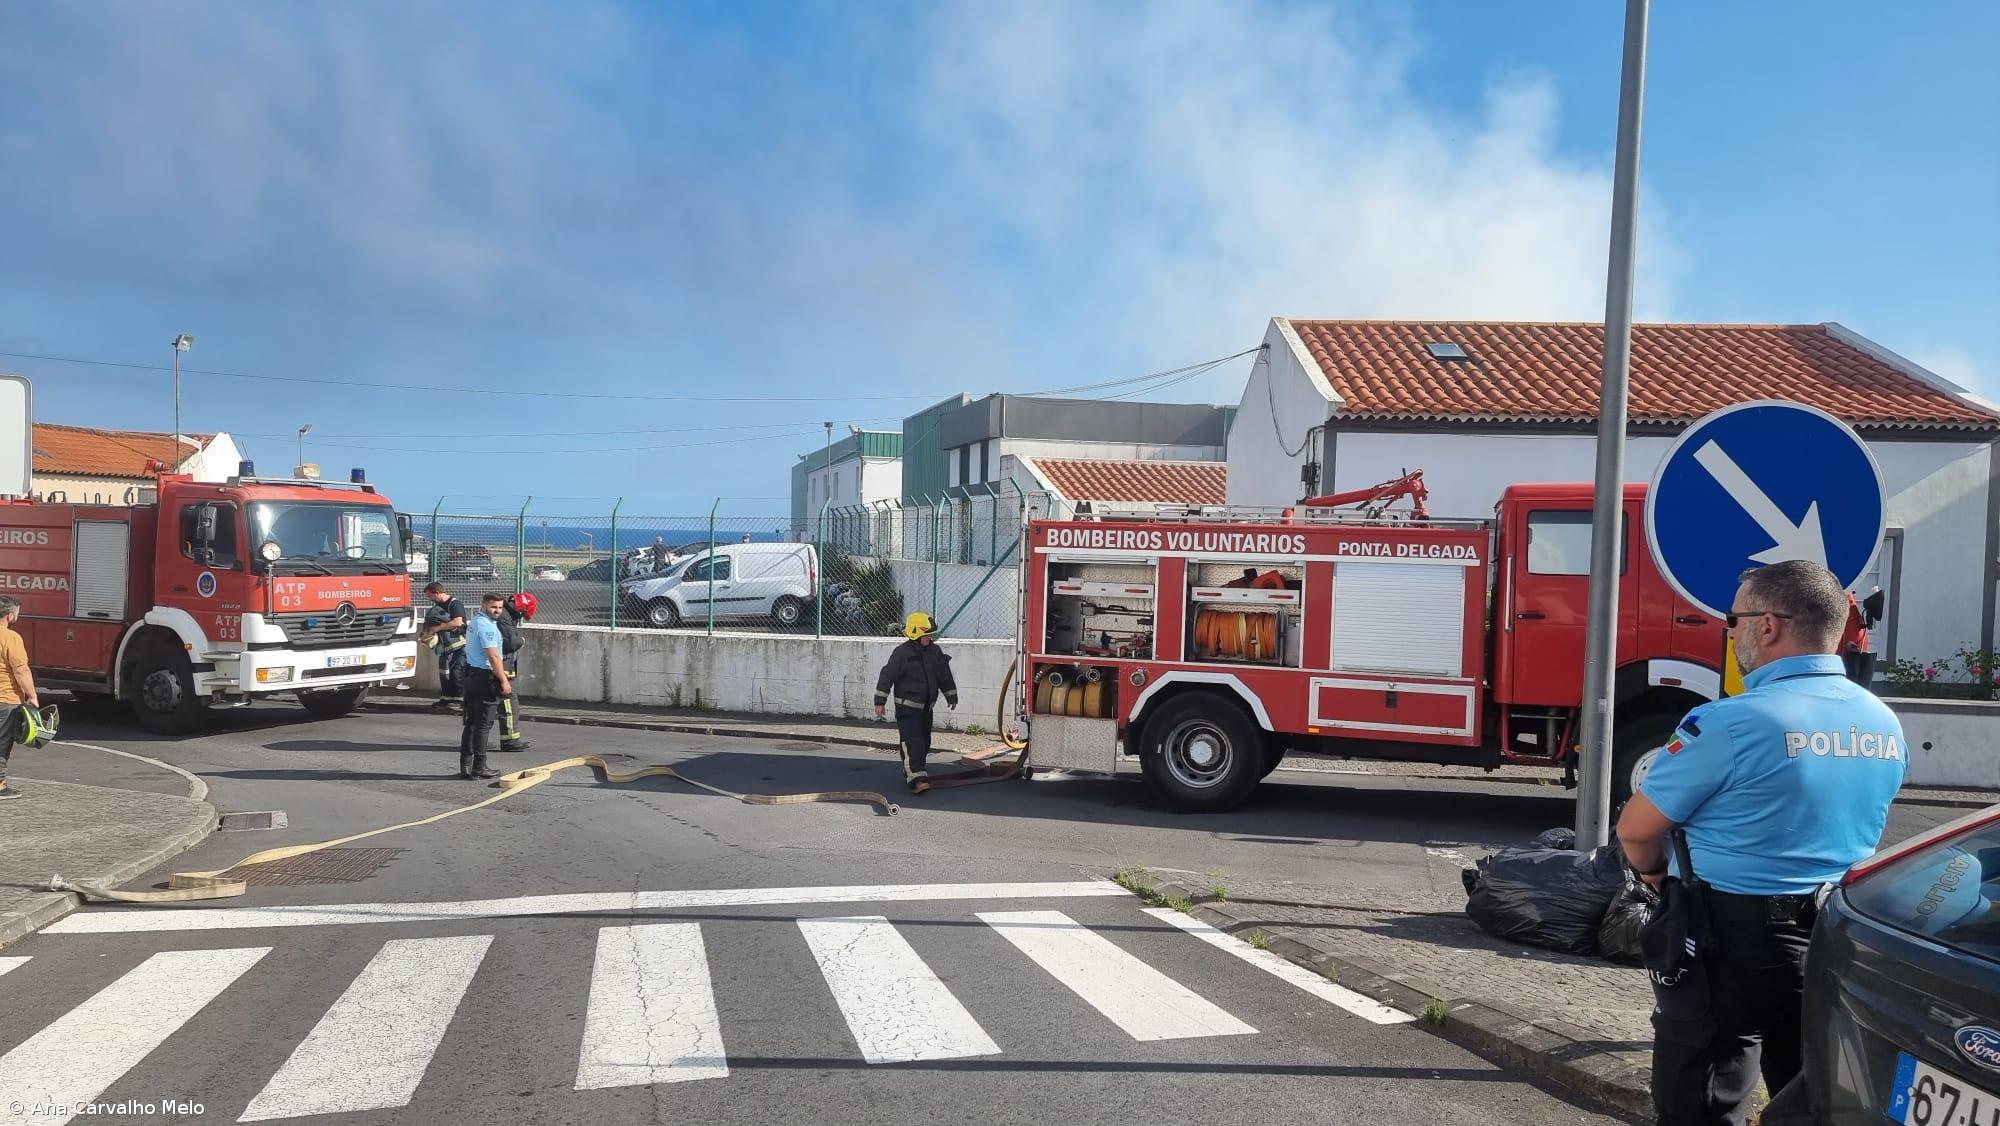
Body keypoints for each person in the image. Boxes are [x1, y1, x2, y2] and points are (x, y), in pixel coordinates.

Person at [1617, 560, 1907, 1126]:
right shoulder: (1882, 721)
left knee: (1698, 1096)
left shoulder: (1729, 722)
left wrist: (1656, 882)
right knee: (1811, 1095)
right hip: (1835, 935)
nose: (1730, 631)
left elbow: (1636, 829)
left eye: (1733, 618)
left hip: (1732, 939)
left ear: (1768, 625)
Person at [872, 611, 957, 795]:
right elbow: (887, 676)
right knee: (913, 743)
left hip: (926, 709)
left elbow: (944, 675)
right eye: (927, 634)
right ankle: (917, 779)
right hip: (907, 709)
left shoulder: (934, 652)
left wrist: (951, 696)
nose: (930, 637)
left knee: (925, 742)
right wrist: (880, 702)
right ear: (916, 634)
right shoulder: (902, 653)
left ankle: (913, 769)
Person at [457, 592, 512, 780]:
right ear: (483, 606)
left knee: (471, 723)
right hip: (484, 678)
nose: (497, 611)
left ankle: (466, 765)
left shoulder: (475, 622)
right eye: (493, 607)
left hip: (471, 674)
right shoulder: (487, 627)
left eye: (499, 607)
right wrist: (504, 681)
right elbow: (493, 656)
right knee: (483, 725)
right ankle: (479, 767)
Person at [0, 596, 40, 802]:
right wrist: (31, 695)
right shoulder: (10, 638)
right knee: (1, 743)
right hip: (5, 698)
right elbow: (20, 669)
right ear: (10, 615)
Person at [494, 592, 537, 752]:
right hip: (502, 669)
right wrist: (521, 640)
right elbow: (512, 642)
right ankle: (510, 741)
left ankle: (475, 739)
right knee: (509, 705)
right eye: (523, 614)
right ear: (521, 609)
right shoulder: (504, 616)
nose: (521, 618)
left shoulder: (502, 614)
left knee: (489, 707)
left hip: (496, 667)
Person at [420, 582, 469, 712]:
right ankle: (446, 698)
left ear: (437, 592)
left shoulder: (455, 604)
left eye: (430, 596)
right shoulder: (439, 605)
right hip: (445, 646)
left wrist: (439, 627)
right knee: (445, 673)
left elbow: (458, 622)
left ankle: (459, 700)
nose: (430, 599)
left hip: (458, 645)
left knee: (457, 671)